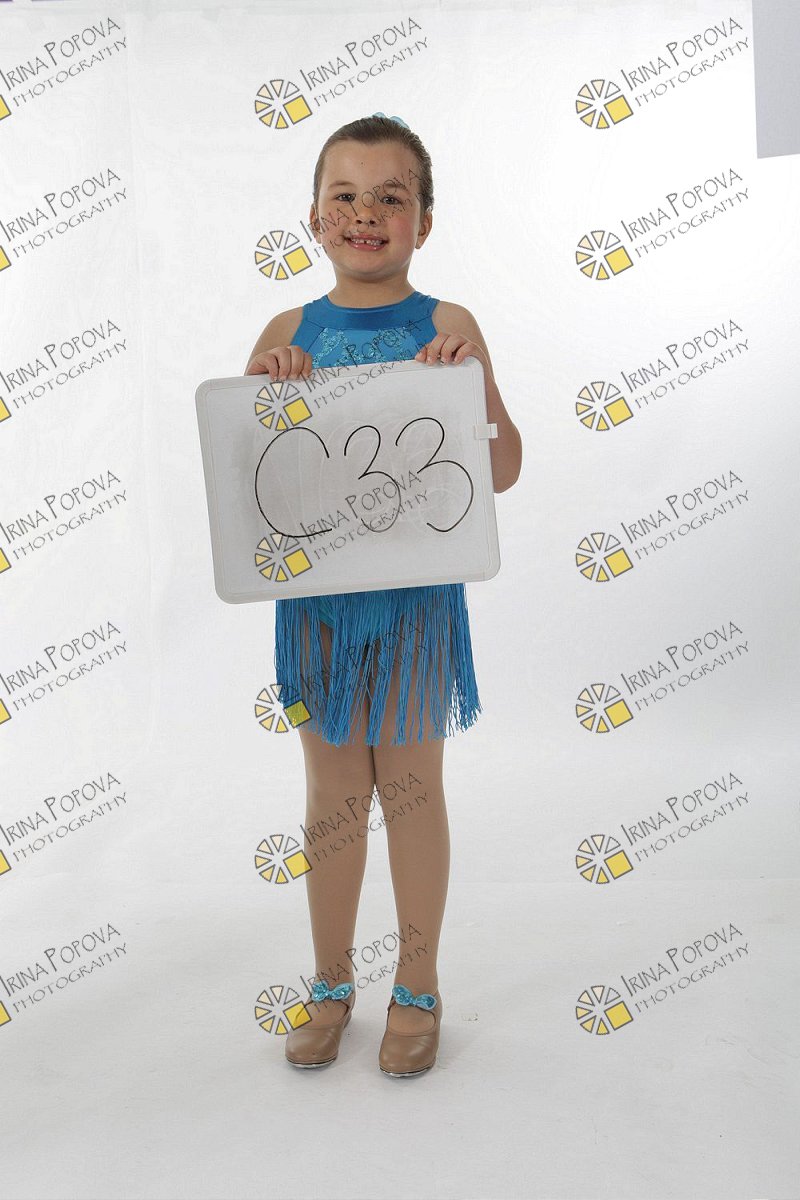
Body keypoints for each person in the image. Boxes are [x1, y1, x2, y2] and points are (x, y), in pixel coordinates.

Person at [244, 113, 522, 1076]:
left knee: (409, 789)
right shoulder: (286, 332)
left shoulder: (451, 327)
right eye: (346, 196)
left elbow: (505, 470)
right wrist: (270, 388)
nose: (366, 214)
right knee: (332, 792)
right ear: (314, 218)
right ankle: (331, 981)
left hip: (414, 606)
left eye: (390, 197)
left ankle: (418, 984)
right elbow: (250, 485)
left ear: (424, 221)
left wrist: (471, 389)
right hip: (319, 607)